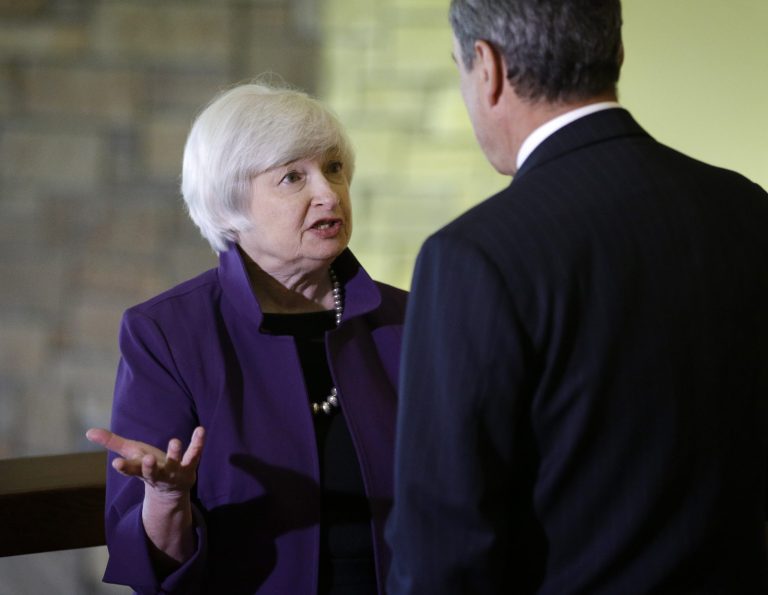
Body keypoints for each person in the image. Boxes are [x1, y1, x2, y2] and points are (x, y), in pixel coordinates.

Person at [386, 1, 768, 593]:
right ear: (616, 50)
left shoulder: (472, 257)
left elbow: (444, 544)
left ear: (486, 68)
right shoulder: (747, 209)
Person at [86, 82, 407, 595]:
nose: (328, 193)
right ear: (230, 202)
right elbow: (150, 569)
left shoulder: (411, 320)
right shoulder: (167, 334)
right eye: (292, 177)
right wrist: (169, 499)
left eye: (334, 168)